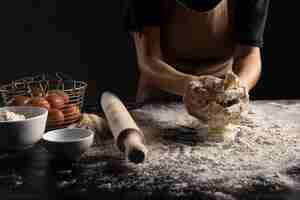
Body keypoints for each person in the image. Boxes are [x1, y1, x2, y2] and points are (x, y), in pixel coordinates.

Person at [123, 0, 270, 103]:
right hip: (162, 92)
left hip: (223, 91)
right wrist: (191, 85)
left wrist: (237, 89)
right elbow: (149, 59)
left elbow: (248, 54)